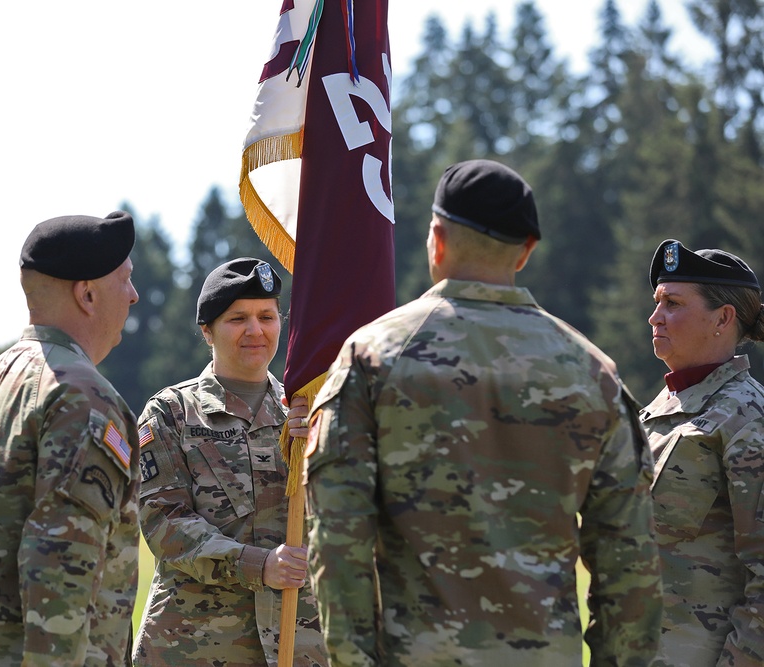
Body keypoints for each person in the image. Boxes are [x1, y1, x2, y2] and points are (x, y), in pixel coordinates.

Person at [304, 159, 663, 666]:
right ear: (527, 251)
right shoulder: (591, 372)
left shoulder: (374, 355)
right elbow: (630, 563)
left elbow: (339, 541)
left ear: (437, 238)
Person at [0, 212, 142, 666]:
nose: (134, 296)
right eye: (126, 280)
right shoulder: (82, 397)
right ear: (88, 294)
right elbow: (59, 570)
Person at [133, 257, 328, 666]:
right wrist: (258, 566)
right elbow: (164, 524)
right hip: (194, 647)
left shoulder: (312, 411)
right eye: (238, 318)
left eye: (267, 316)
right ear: (208, 331)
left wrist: (322, 446)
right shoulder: (170, 413)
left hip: (300, 644)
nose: (255, 330)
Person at [641, 239, 764, 666]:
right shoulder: (657, 412)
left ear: (723, 318)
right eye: (657, 302)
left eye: (672, 303)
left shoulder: (747, 418)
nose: (655, 316)